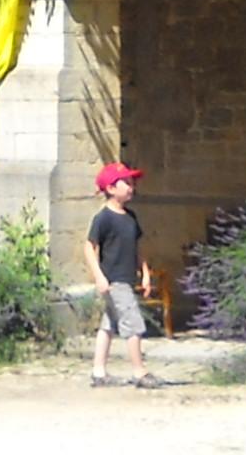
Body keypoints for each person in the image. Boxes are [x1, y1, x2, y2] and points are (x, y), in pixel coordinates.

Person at [86, 162, 154, 389]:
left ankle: (98, 372)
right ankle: (139, 371)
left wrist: (145, 273)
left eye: (133, 183)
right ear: (111, 189)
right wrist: (99, 276)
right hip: (114, 281)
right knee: (133, 324)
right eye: (127, 182)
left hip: (127, 278)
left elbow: (138, 248)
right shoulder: (103, 218)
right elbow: (89, 247)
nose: (132, 187)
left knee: (109, 325)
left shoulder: (131, 217)